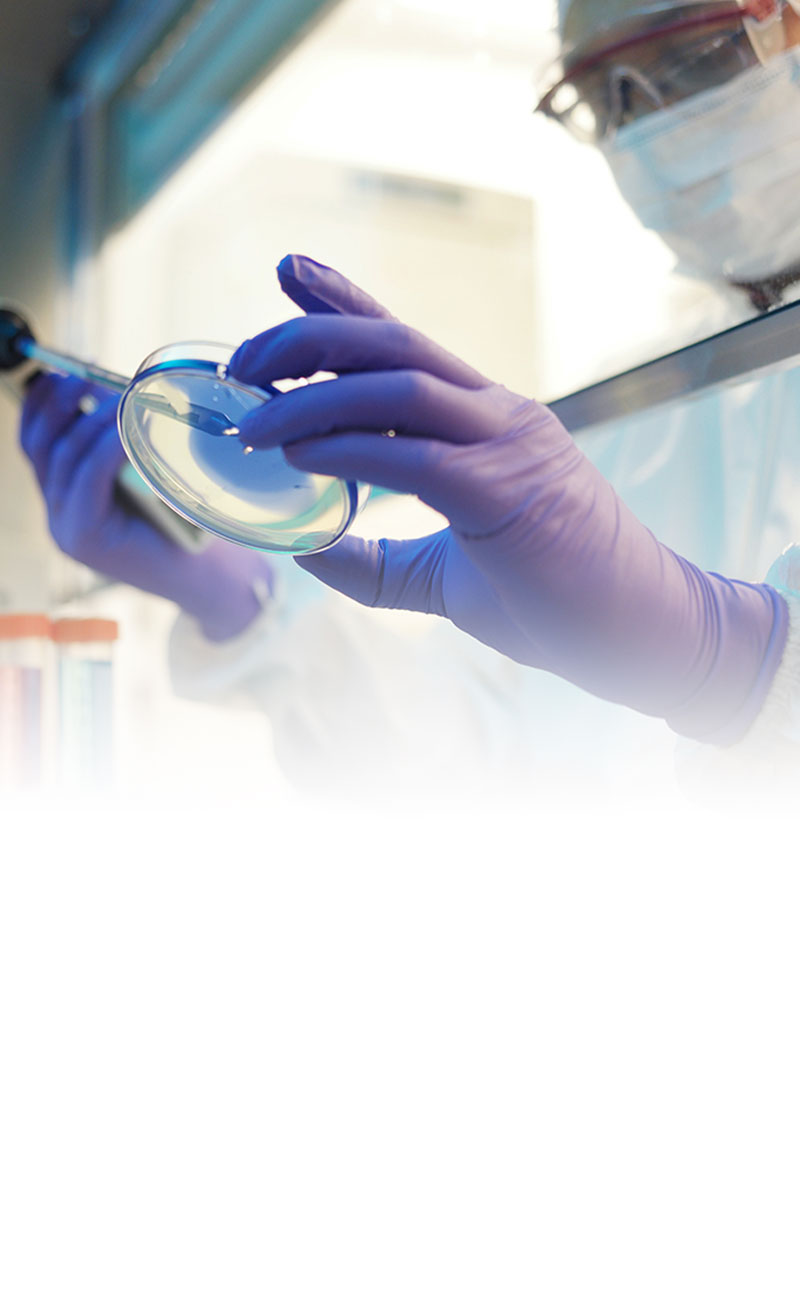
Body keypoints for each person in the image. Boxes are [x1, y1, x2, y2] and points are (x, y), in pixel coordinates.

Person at [18, 0, 800, 790]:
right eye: (604, 97)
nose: (646, 125)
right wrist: (244, 601)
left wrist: (734, 662)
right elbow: (474, 773)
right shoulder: (643, 406)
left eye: (691, 56)